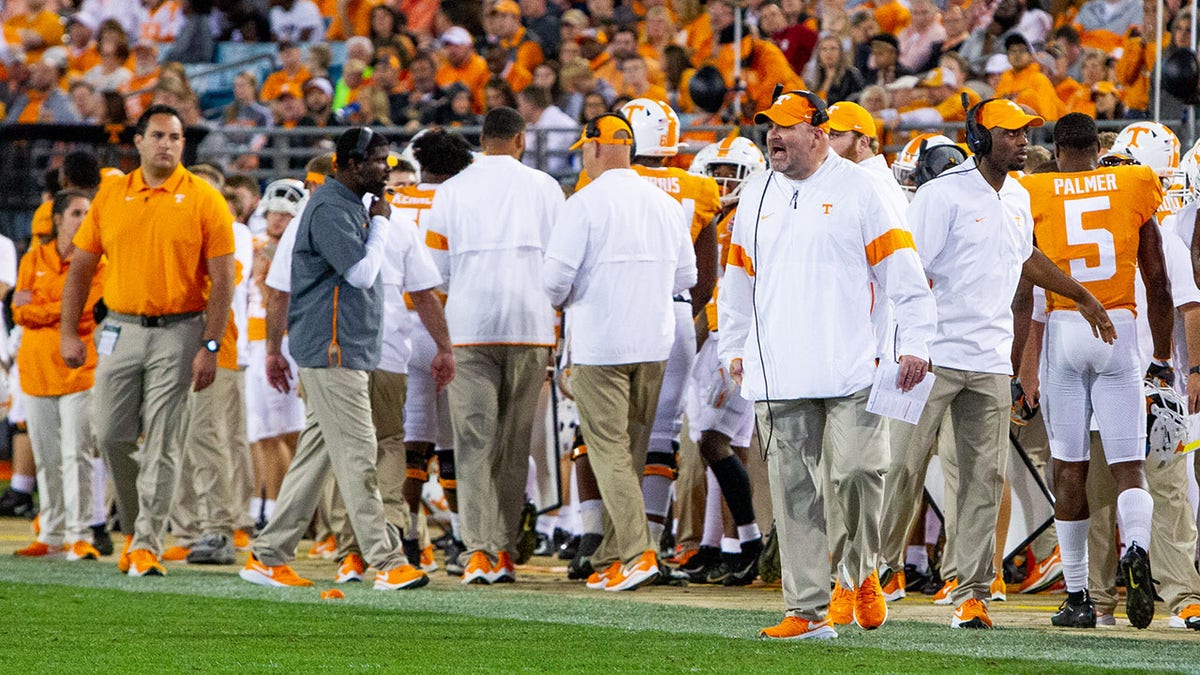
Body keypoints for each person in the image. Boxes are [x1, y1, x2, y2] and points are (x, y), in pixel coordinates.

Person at [719, 91, 937, 639]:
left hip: (851, 365)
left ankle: (861, 571)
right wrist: (733, 346)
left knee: (859, 472)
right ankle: (807, 609)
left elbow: (904, 274)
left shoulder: (862, 188)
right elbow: (738, 279)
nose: (773, 135)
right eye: (769, 126)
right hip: (778, 367)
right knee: (793, 491)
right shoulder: (755, 193)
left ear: (818, 133)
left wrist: (916, 343)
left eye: (786, 127)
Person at [898, 99, 1115, 629]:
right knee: (894, 470)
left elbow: (1026, 258)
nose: (1023, 141)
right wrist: (904, 343)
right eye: (1011, 132)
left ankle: (970, 591)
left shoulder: (1018, 195)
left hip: (991, 359)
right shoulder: (939, 194)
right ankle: (859, 575)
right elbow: (906, 272)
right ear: (979, 137)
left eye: (1026, 133)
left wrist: (1081, 296)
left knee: (983, 480)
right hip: (932, 355)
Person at [240, 127, 433, 591]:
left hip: (345, 347)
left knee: (316, 456)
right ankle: (386, 560)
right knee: (360, 453)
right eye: (376, 161)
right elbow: (363, 274)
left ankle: (268, 555)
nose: (386, 170)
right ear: (348, 163)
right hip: (333, 349)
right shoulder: (329, 207)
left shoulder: (346, 205)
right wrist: (383, 222)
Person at [60, 104, 236, 577]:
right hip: (118, 327)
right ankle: (143, 529)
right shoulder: (112, 195)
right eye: (158, 135)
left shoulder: (204, 198)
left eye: (176, 137)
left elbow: (223, 281)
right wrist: (68, 331)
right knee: (110, 433)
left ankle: (146, 543)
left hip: (180, 330)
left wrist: (211, 345)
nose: (167, 144)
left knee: (163, 440)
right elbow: (80, 267)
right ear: (137, 141)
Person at [1016, 113, 1169, 629]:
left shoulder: (1033, 190)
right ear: (1096, 149)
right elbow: (1159, 281)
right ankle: (1138, 549)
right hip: (1119, 324)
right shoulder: (1133, 182)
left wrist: (1022, 366)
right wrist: (1164, 359)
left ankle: (1079, 594)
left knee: (1069, 466)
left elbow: (1023, 289)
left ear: (1058, 150)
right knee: (1129, 465)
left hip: (1066, 324)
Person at [543, 112, 697, 591]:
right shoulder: (665, 204)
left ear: (593, 148)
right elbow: (686, 279)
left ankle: (636, 552)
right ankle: (613, 552)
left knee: (608, 451)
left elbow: (552, 284)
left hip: (600, 343)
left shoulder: (584, 204)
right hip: (654, 342)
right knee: (629, 451)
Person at [424, 107, 563, 584]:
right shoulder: (545, 187)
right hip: (531, 325)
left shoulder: (450, 190)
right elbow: (562, 263)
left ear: (482, 140)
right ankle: (503, 549)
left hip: (467, 327)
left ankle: (478, 550)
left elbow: (435, 271)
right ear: (521, 139)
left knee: (473, 441)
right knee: (513, 441)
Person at [391, 130, 475, 576]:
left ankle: (406, 535)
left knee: (412, 442)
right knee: (453, 442)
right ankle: (463, 536)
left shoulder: (397, 201)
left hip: (401, 327)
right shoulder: (466, 200)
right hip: (451, 323)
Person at [12, 190, 106, 561]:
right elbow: (18, 311)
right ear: (58, 220)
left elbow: (86, 311)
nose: (83, 219)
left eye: (88, 212)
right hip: (36, 369)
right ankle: (51, 532)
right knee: (48, 457)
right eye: (76, 212)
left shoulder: (99, 262)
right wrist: (57, 307)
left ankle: (79, 533)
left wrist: (39, 308)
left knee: (77, 454)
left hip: (79, 369)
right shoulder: (33, 257)